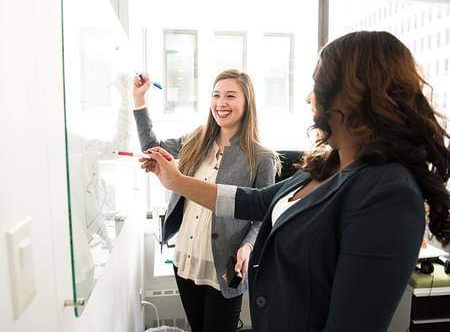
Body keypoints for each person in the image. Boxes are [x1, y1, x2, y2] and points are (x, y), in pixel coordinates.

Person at [139, 31, 450, 332]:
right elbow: (255, 201)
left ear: (353, 93)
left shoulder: (388, 192)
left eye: (317, 84)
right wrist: (176, 182)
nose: (307, 97)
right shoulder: (326, 165)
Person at [133, 69, 278, 332]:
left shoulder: (262, 157)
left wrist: (248, 245)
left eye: (231, 96)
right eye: (216, 95)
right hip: (186, 259)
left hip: (224, 266)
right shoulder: (195, 140)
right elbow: (151, 147)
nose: (221, 103)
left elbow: (263, 215)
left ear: (247, 103)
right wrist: (139, 100)